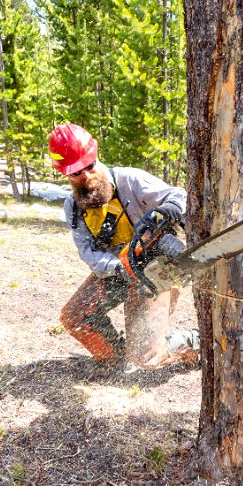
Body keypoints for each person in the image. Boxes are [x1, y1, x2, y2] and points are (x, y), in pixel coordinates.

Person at [52, 123, 198, 370]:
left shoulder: (130, 180)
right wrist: (119, 268)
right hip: (119, 270)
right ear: (65, 173)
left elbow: (179, 196)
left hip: (156, 271)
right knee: (74, 317)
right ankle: (114, 361)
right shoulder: (73, 206)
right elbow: (88, 253)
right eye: (77, 172)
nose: (86, 175)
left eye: (89, 166)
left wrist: (170, 208)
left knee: (145, 356)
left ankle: (196, 341)